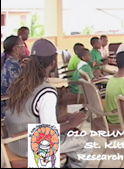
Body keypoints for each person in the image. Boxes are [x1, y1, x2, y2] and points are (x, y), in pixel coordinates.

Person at [5, 39, 93, 168]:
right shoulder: (46, 91)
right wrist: (70, 124)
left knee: (71, 137)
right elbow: (48, 132)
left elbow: (30, 115)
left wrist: (60, 120)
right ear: (53, 62)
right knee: (86, 142)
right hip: (33, 147)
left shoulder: (20, 83)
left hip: (14, 142)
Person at [1, 35, 25, 118]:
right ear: (16, 49)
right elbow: (20, 90)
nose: (24, 48)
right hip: (9, 107)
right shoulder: (13, 66)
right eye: (22, 45)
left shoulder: (10, 62)